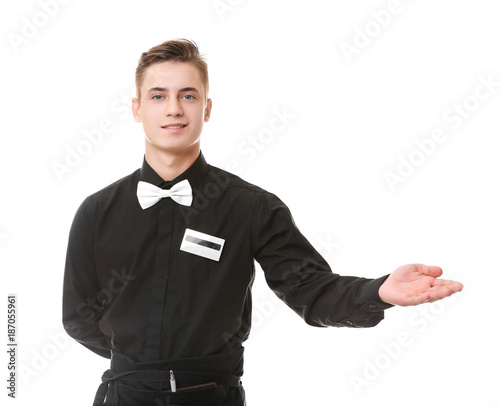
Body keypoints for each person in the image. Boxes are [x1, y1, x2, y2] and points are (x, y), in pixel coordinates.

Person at [62, 39, 463, 406]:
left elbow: (309, 288)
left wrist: (379, 291)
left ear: (207, 107)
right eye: (158, 96)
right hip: (122, 396)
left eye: (188, 95)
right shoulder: (96, 212)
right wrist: (142, 362)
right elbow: (78, 318)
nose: (173, 109)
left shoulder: (251, 207)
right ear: (137, 108)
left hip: (213, 396)